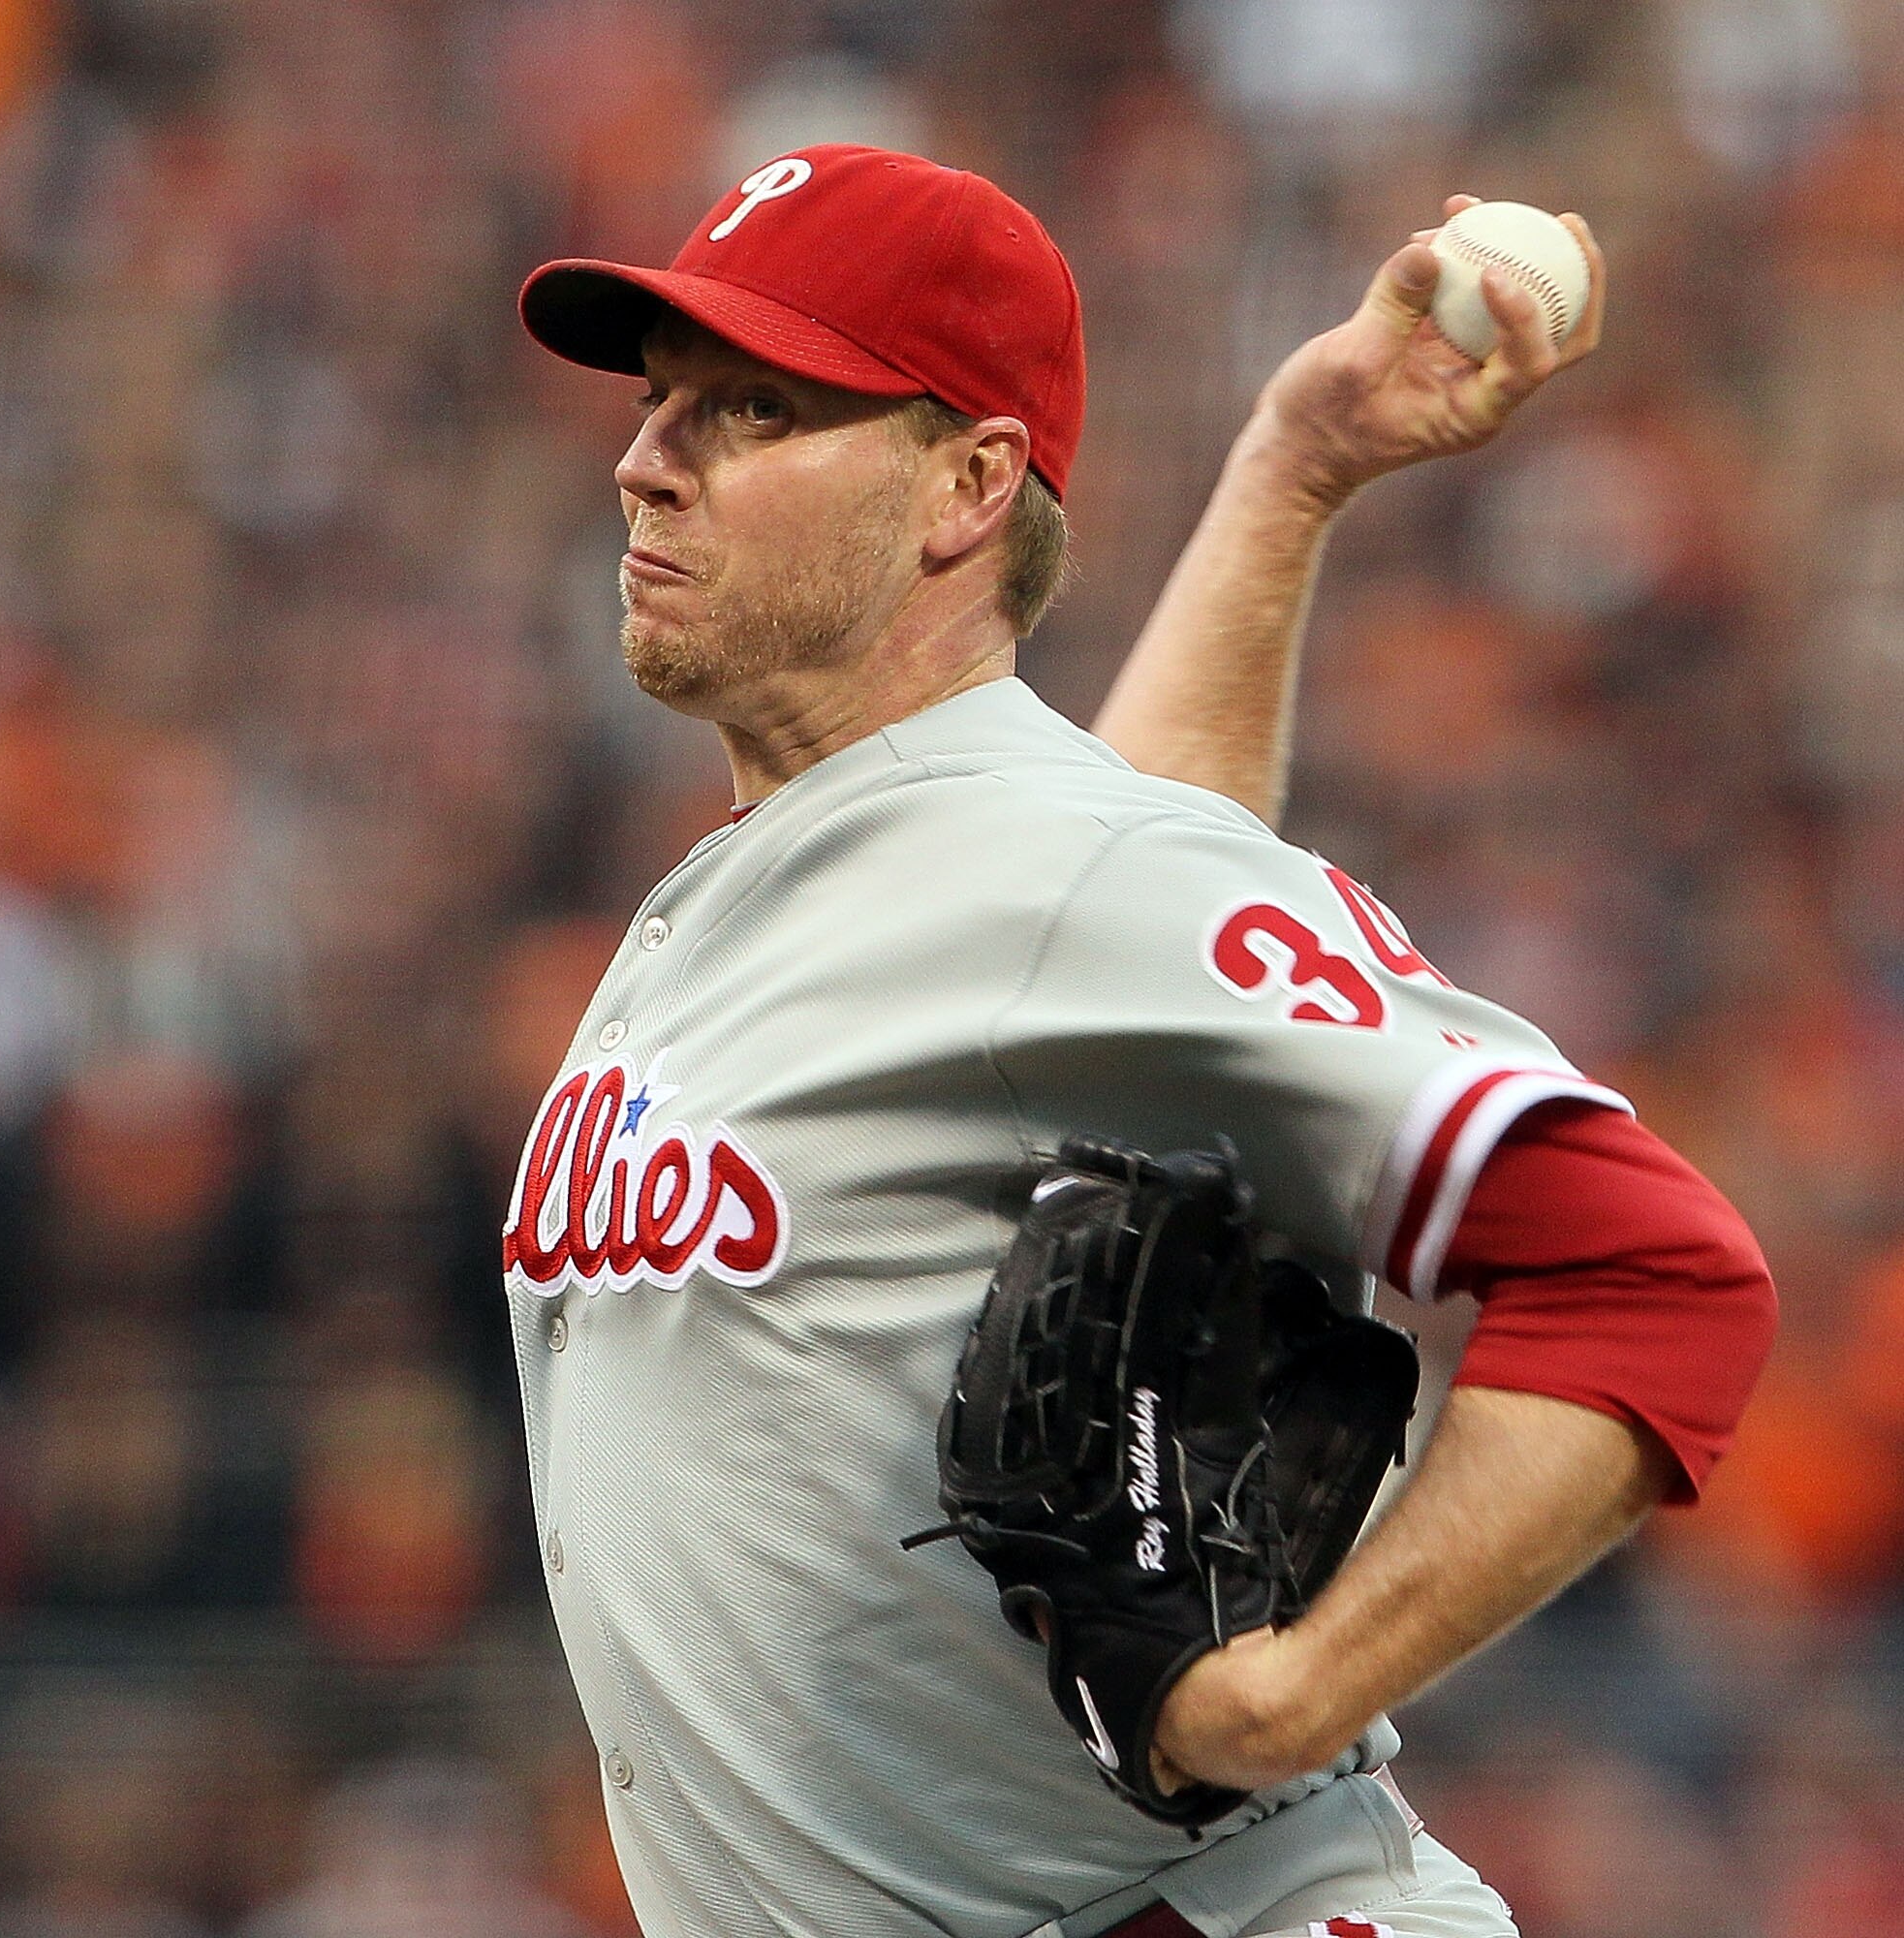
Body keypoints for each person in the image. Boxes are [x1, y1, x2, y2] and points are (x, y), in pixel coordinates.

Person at [499, 145, 1776, 1938]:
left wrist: (1289, 1696)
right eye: (660, 406)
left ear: (968, 484)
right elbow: (1096, 914)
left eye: (752, 410)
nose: (646, 459)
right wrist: (1295, 469)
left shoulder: (1047, 868)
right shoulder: (887, 869)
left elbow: (1663, 1275)